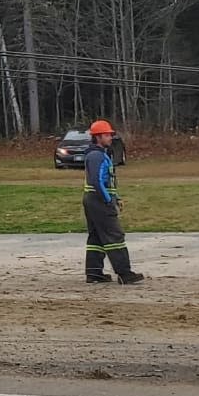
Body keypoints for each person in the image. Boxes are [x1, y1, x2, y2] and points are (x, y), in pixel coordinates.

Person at [83, 120, 144, 285]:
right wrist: (109, 200)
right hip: (99, 200)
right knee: (114, 235)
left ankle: (94, 274)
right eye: (107, 135)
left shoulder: (98, 154)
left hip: (92, 199)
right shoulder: (96, 156)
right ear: (98, 137)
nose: (111, 137)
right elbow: (97, 182)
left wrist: (116, 196)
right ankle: (125, 273)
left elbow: (107, 181)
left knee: (96, 236)